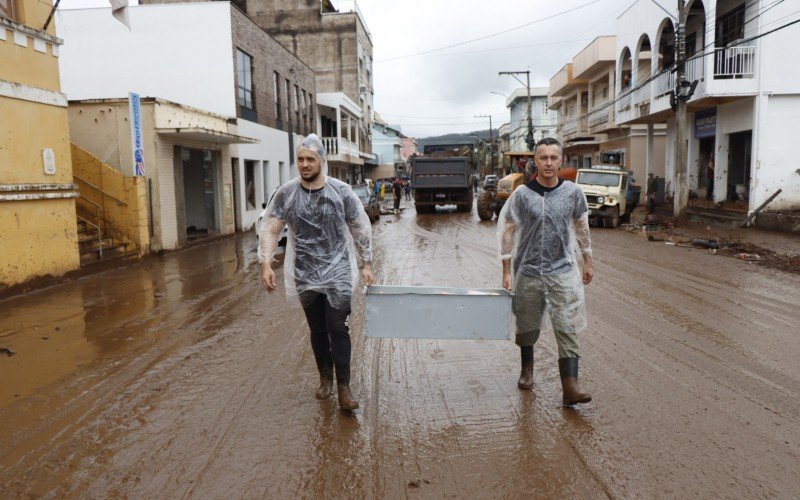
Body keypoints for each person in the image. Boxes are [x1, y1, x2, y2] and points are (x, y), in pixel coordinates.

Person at [258, 134, 374, 411]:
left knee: (338, 328)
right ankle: (325, 378)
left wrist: (366, 263)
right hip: (305, 272)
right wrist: (265, 262)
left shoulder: (342, 192)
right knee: (318, 330)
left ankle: (344, 388)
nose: (305, 164)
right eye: (300, 159)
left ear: (322, 160)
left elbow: (360, 228)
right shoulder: (286, 193)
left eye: (310, 159)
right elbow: (271, 227)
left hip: (339, 273)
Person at [498, 137, 594, 406]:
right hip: (527, 271)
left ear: (561, 160)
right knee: (527, 327)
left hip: (562, 269)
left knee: (567, 327)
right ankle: (527, 369)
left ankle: (570, 388)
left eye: (554, 157)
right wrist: (506, 270)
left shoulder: (573, 193)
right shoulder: (522, 195)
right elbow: (508, 232)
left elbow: (581, 228)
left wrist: (587, 260)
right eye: (543, 158)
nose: (549, 163)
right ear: (535, 161)